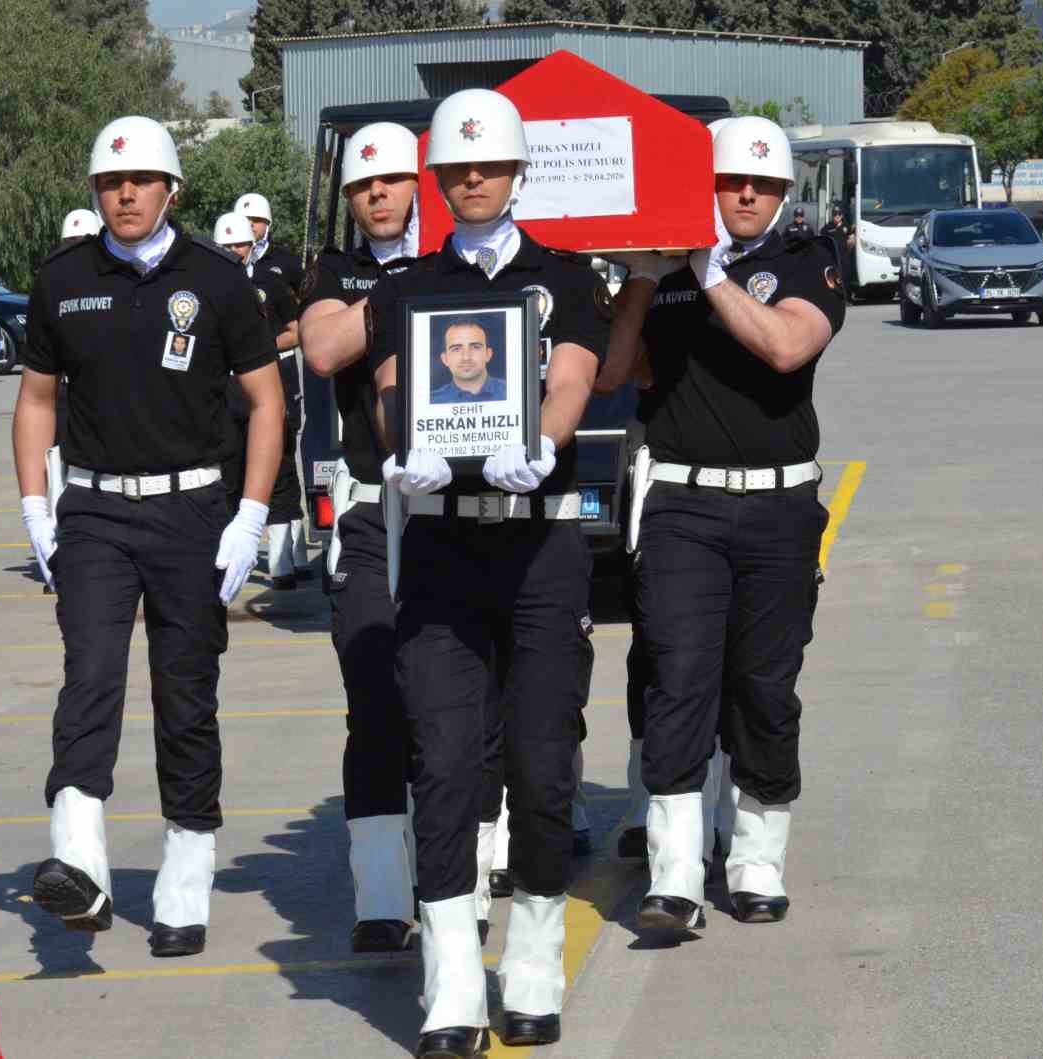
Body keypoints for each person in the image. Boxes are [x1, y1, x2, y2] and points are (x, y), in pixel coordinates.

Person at [11, 115, 286, 959]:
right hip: (92, 511)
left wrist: (251, 515)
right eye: (109, 182)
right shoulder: (62, 280)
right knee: (89, 676)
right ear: (95, 191)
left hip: (194, 509)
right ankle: (80, 862)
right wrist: (35, 508)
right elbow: (36, 402)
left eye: (139, 182)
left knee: (185, 694)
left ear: (171, 189)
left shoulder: (218, 279)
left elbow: (268, 403)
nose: (124, 194)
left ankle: (185, 872)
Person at [372, 88, 610, 1056]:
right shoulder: (406, 286)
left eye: (487, 166)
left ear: (517, 174)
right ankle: (452, 987)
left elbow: (574, 377)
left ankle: (535, 960)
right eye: (456, 168)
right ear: (439, 178)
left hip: (540, 540)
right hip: (438, 541)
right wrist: (402, 450)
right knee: (441, 766)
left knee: (543, 767)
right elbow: (393, 389)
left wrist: (541, 444)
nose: (471, 180)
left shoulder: (568, 276)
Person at [604, 115, 845, 932]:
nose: (746, 194)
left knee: (763, 690)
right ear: (704, 183)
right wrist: (642, 274)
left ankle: (755, 860)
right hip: (681, 502)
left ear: (783, 192)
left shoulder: (808, 261)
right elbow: (613, 372)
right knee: (677, 680)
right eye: (732, 180)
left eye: (763, 183)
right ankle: (674, 874)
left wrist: (704, 270)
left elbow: (784, 348)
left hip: (779, 506)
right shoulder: (668, 267)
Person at [299, 120, 426, 955]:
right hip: (369, 506)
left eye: (391, 181)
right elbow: (323, 344)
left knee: (463, 700)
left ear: (422, 183)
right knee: (376, 702)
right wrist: (405, 288)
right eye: (363, 186)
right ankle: (383, 895)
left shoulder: (463, 260)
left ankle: (474, 865)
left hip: (457, 501)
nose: (377, 194)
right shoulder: (333, 272)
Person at [214, 210, 306, 594]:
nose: (236, 251)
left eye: (241, 244)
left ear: (253, 247)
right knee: (225, 471)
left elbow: (297, 330)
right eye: (228, 244)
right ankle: (224, 558)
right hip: (223, 389)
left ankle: (283, 563)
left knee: (280, 469)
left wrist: (258, 350)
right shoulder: (203, 286)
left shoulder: (270, 281)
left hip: (267, 382)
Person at [235, 192, 304, 293]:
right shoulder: (225, 258)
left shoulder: (287, 261)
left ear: (268, 223)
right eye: (244, 219)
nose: (250, 224)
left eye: (256, 219)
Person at [429, 318, 507, 403]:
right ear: (445, 359)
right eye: (456, 349)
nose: (466, 357)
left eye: (475, 347)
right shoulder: (432, 400)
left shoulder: (513, 392)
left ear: (488, 354)